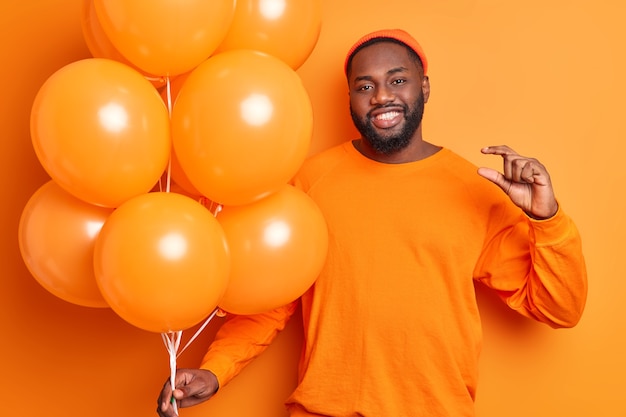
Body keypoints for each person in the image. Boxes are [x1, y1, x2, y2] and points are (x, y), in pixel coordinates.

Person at [156, 29, 587, 417]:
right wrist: (215, 370)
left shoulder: (472, 190)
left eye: (397, 80)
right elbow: (270, 302)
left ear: (424, 87)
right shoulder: (308, 182)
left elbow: (559, 309)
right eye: (365, 86)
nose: (381, 96)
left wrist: (545, 218)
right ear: (350, 99)